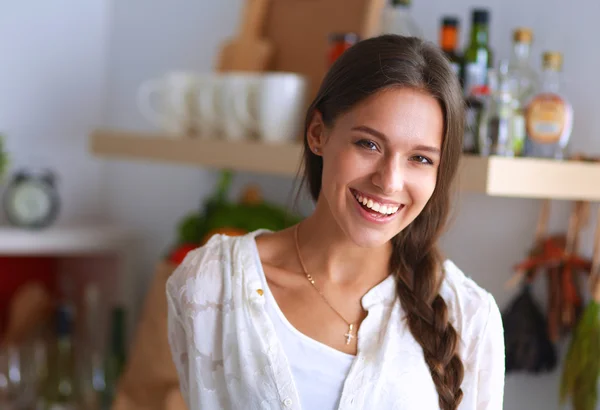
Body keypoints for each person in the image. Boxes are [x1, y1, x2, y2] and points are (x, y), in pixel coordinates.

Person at [166, 35, 505, 410]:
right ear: (317, 133)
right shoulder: (213, 284)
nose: (390, 181)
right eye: (369, 144)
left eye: (421, 159)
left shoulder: (470, 316)